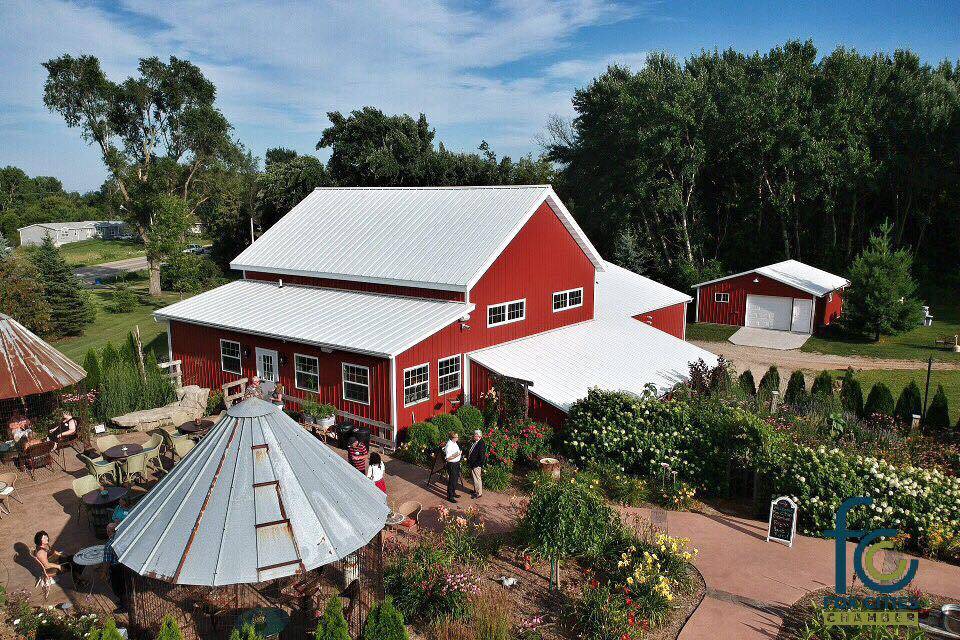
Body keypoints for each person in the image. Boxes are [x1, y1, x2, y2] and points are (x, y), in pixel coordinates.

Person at [467, 429, 487, 499]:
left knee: (477, 478)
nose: (474, 436)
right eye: (474, 435)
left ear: (479, 436)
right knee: (474, 478)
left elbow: (481, 457)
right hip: (473, 464)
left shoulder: (481, 444)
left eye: (475, 436)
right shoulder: (476, 442)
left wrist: (476, 464)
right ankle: (476, 490)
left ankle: (479, 493)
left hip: (476, 465)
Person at [443, 432, 462, 504]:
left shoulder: (454, 443)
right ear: (452, 438)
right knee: (452, 480)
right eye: (456, 437)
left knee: (455, 479)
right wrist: (457, 454)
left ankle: (453, 492)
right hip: (452, 464)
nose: (458, 438)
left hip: (456, 463)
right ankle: (450, 497)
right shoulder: (449, 445)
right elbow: (448, 458)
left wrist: (458, 454)